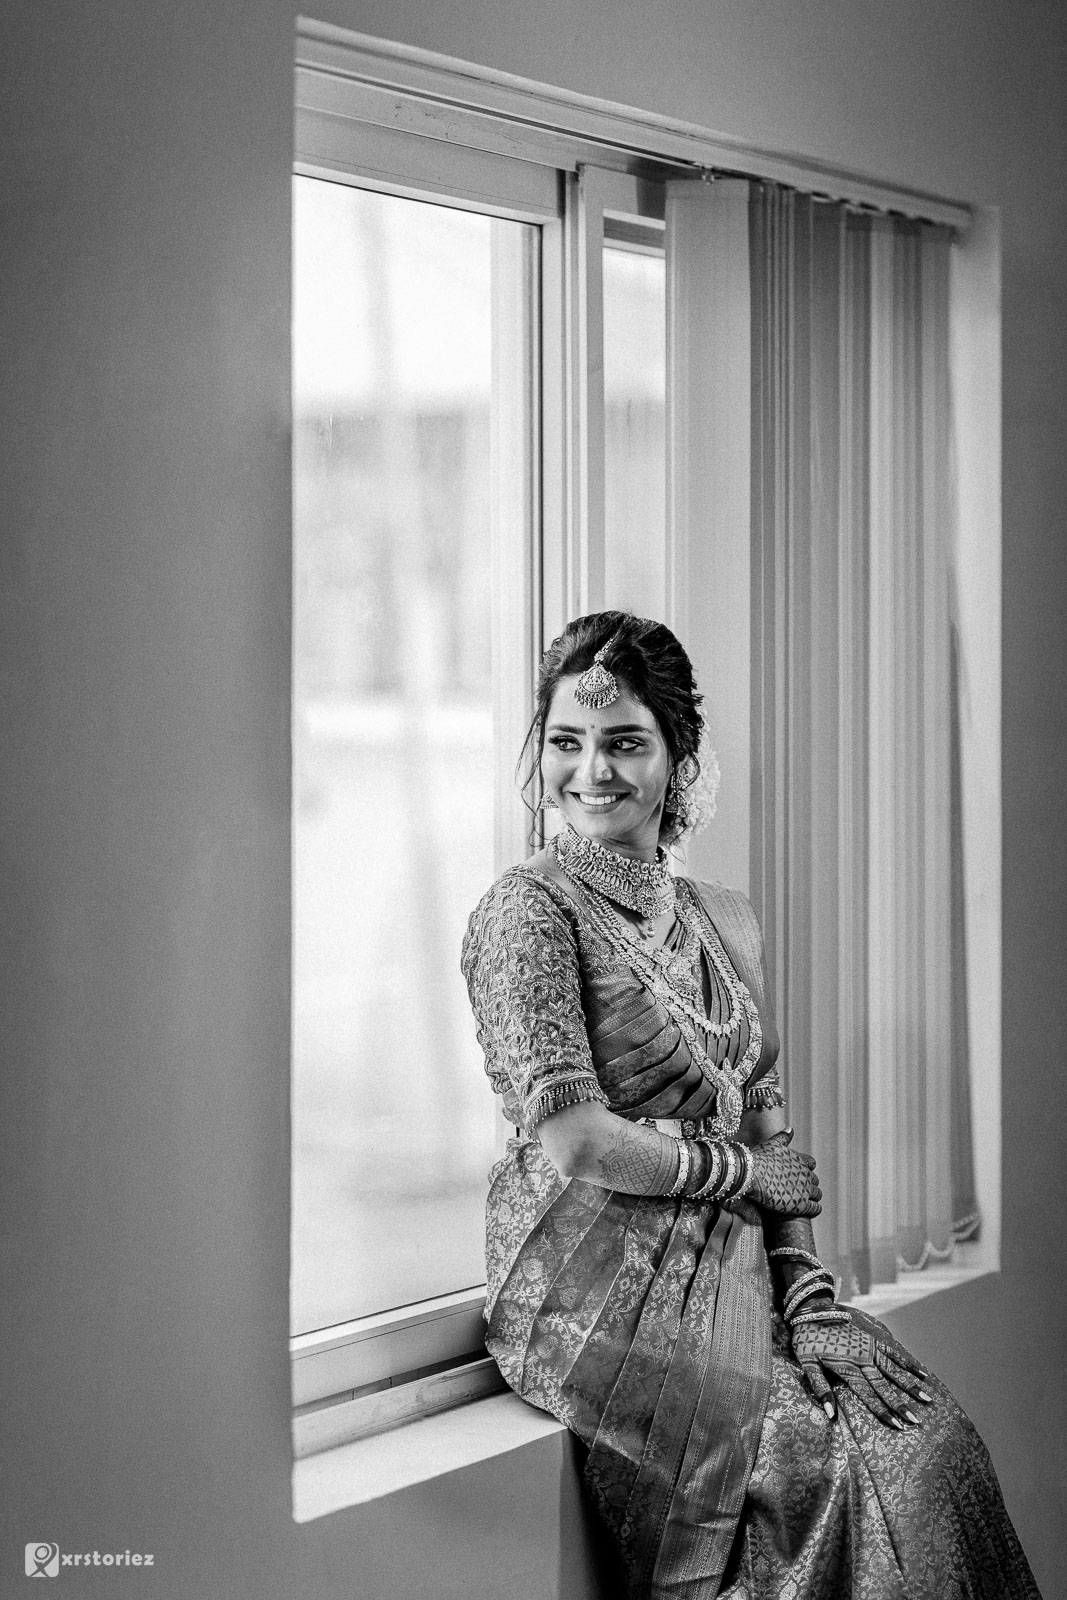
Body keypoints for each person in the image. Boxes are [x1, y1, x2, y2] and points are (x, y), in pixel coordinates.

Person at [461, 611, 1040, 1600]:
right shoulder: (529, 910)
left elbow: (763, 1116)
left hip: (733, 1262)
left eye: (623, 742)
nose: (590, 771)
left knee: (926, 1442)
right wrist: (740, 1173)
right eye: (566, 741)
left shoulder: (719, 915)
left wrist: (808, 1299)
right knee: (818, 1471)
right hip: (593, 1281)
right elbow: (576, 1141)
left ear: (678, 760)